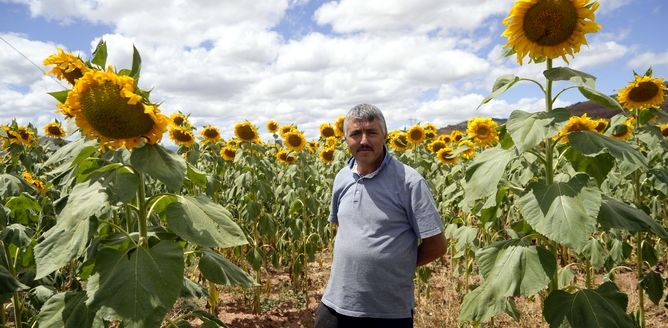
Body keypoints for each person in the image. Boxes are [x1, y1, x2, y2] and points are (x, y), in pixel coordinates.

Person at [315, 103, 448, 328]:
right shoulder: (342, 178)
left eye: (372, 133)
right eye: (355, 134)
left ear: (385, 136)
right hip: (335, 305)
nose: (364, 140)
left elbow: (436, 245)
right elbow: (342, 226)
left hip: (387, 312)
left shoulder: (409, 182)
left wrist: (394, 263)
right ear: (346, 139)